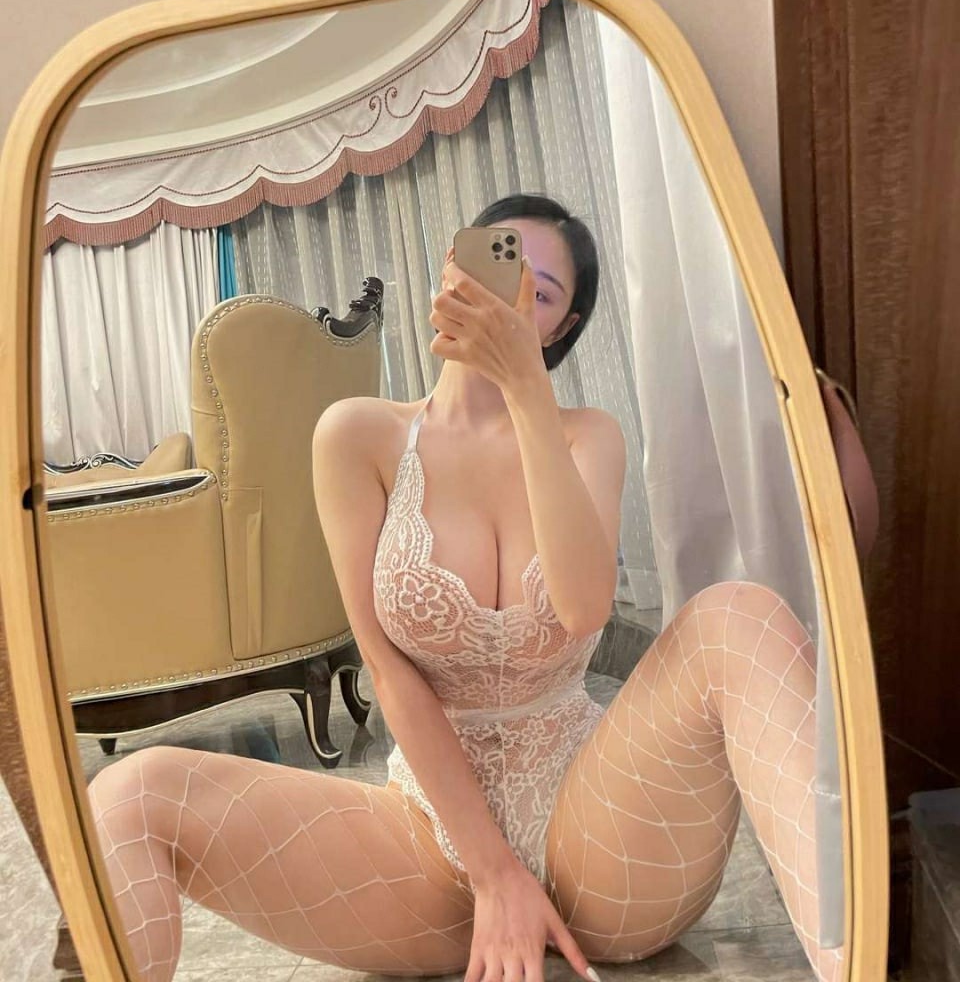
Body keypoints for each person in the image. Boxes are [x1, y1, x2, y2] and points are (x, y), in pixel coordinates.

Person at [89, 194, 840, 982]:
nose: (508, 301)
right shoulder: (357, 435)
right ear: (450, 269)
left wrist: (526, 392)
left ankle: (852, 956)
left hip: (601, 828)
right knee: (135, 793)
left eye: (539, 294)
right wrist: (494, 872)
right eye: (497, 265)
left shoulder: (588, 436)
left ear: (560, 328)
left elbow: (585, 605)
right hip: (428, 846)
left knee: (738, 614)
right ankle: (495, 887)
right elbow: (387, 670)